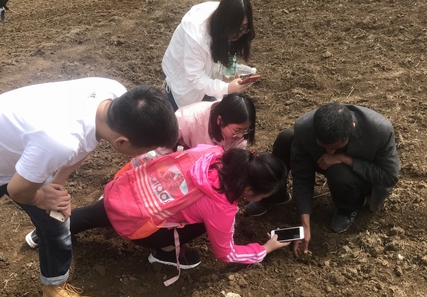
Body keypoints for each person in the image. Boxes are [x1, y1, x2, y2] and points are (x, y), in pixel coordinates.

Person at [0, 77, 178, 297]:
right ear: (121, 142)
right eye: (146, 150)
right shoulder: (59, 140)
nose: (146, 155)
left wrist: (56, 186)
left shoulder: (113, 97)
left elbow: (86, 145)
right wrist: (41, 197)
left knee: (58, 221)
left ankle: (55, 294)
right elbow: (18, 190)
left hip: (22, 155)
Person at [25, 92, 256, 249]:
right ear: (219, 120)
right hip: (168, 164)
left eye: (244, 132)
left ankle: (109, 209)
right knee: (131, 196)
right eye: (236, 130)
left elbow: (227, 167)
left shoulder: (231, 144)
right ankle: (53, 230)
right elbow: (162, 150)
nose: (240, 136)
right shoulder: (188, 120)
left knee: (124, 209)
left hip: (190, 176)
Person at [69, 148, 290, 270]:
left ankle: (54, 229)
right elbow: (225, 253)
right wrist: (265, 249)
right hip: (137, 223)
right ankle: (164, 252)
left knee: (86, 217)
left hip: (123, 190)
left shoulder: (211, 152)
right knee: (204, 222)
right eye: (263, 196)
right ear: (248, 189)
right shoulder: (221, 206)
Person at [244, 103, 400, 254]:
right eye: (323, 145)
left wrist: (345, 159)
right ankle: (276, 195)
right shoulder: (305, 127)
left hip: (360, 177)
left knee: (338, 171)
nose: (330, 152)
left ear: (352, 128)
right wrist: (305, 226)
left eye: (336, 147)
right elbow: (302, 176)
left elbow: (389, 177)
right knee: (286, 138)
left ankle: (349, 208)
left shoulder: (379, 130)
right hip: (323, 162)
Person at [162, 0, 260, 110]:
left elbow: (218, 51)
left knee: (210, 107)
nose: (238, 34)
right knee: (186, 116)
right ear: (224, 23)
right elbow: (195, 77)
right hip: (182, 78)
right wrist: (227, 88)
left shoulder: (226, 17)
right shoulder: (196, 37)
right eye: (234, 29)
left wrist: (226, 71)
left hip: (203, 74)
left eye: (243, 28)